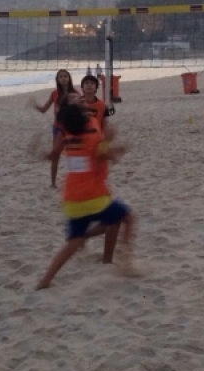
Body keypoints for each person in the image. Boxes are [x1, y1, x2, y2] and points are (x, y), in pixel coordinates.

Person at [37, 102, 134, 289]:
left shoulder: (68, 137)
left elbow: (53, 155)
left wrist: (41, 153)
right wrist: (115, 143)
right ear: (82, 119)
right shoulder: (91, 137)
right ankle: (125, 261)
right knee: (128, 218)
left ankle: (45, 280)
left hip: (71, 200)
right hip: (94, 197)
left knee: (73, 242)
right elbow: (106, 154)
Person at [33, 70, 77, 187]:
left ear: (69, 78)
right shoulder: (54, 94)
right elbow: (44, 110)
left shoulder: (75, 93)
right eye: (61, 77)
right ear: (57, 80)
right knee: (55, 154)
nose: (63, 78)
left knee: (75, 153)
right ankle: (53, 183)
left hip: (72, 127)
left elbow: (80, 110)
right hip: (58, 128)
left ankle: (76, 180)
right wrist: (35, 105)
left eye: (65, 76)